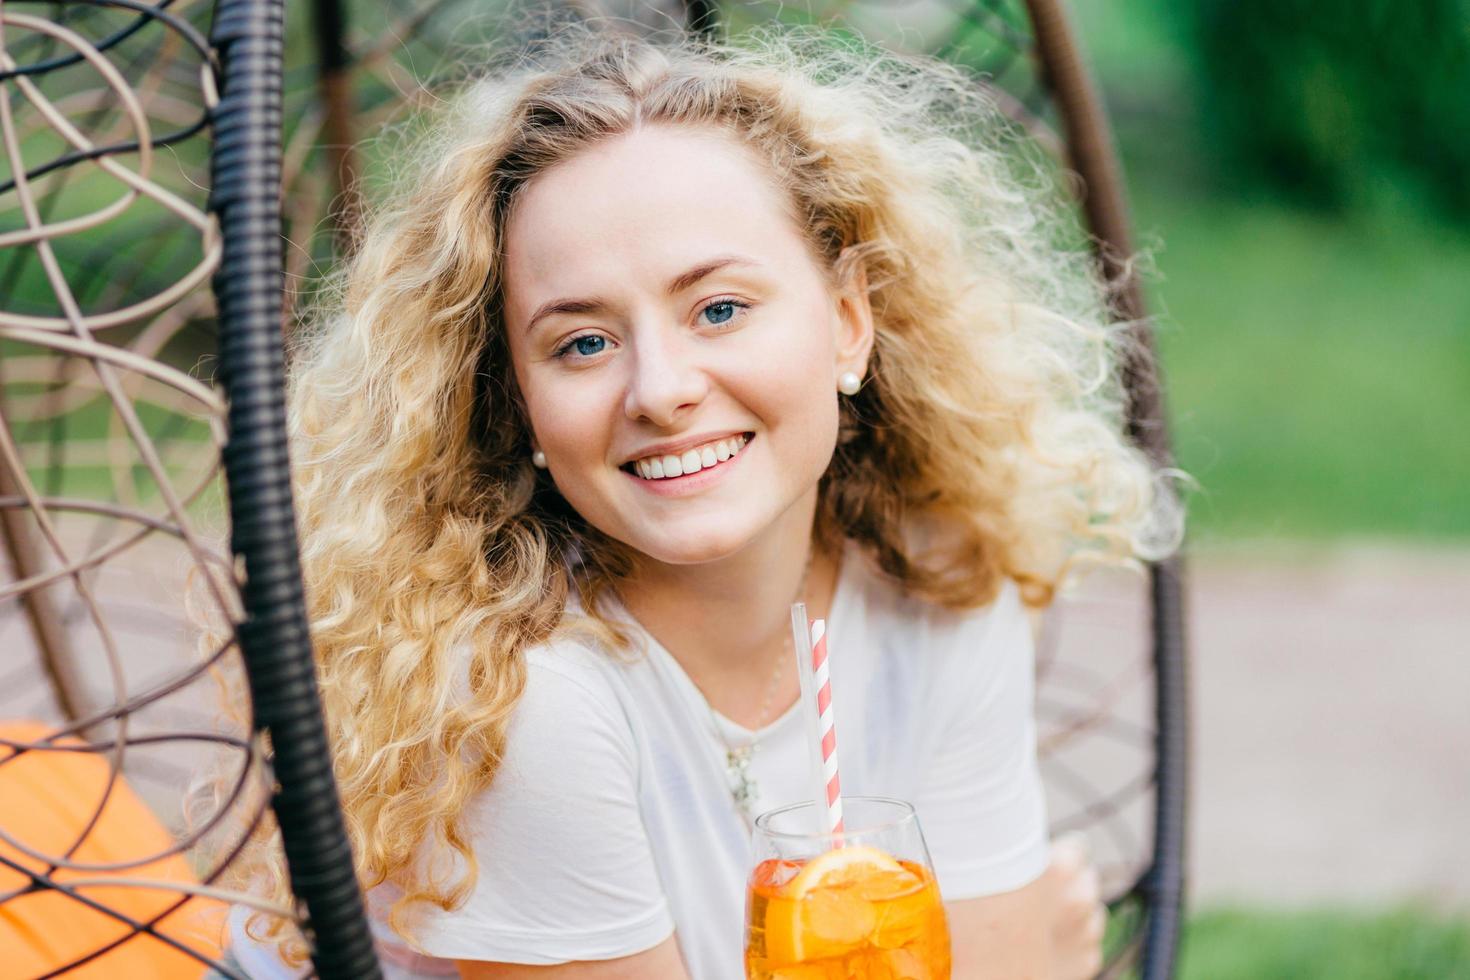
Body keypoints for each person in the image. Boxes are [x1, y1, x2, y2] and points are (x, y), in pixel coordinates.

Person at [227, 20, 1175, 980]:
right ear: (516, 404)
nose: (660, 389)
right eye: (582, 342)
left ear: (849, 324)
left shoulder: (945, 589)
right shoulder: (523, 702)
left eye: (719, 309)